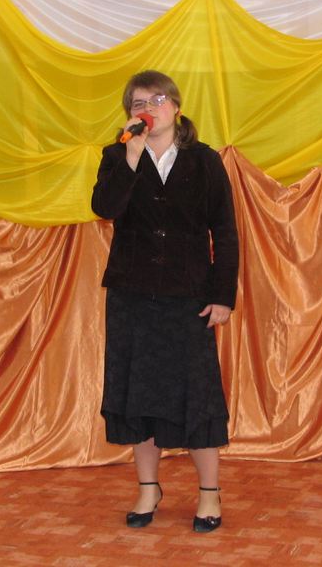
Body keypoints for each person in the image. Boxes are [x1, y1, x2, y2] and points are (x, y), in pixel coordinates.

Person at [91, 70, 239, 533]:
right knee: (138, 394)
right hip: (132, 296)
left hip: (187, 297)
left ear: (175, 106)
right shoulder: (117, 155)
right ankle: (148, 488)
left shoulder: (205, 160)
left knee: (197, 395)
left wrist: (222, 295)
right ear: (129, 114)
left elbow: (225, 232)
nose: (148, 109)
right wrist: (131, 156)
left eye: (157, 100)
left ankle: (209, 493)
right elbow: (104, 208)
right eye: (138, 103)